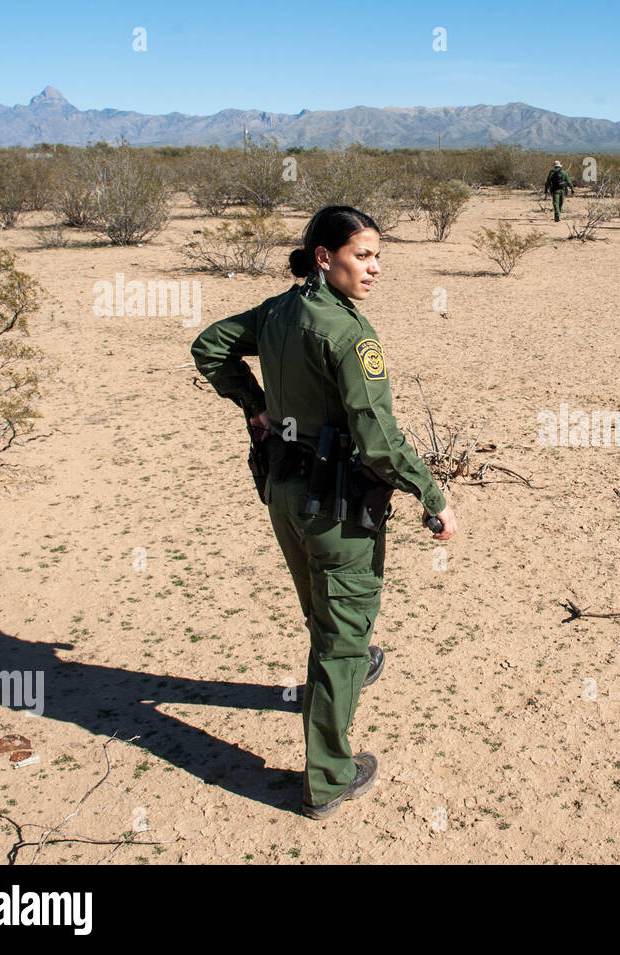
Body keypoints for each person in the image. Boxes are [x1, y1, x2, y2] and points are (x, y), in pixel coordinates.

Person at [190, 206, 457, 820]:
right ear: (323, 257)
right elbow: (379, 439)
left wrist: (255, 406)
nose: (375, 268)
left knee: (322, 604)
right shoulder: (348, 335)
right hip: (337, 504)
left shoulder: (280, 311)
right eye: (363, 256)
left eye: (377, 256)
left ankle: (354, 661)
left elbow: (210, 348)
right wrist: (432, 495)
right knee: (339, 628)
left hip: (285, 491)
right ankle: (330, 778)